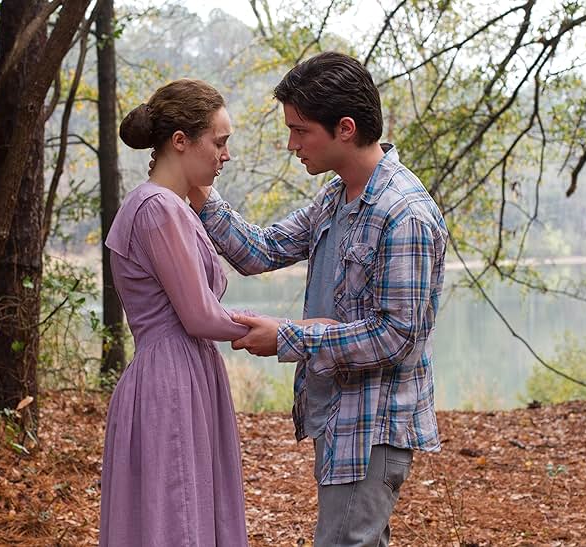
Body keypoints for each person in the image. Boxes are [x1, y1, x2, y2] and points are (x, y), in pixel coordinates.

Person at [187, 52, 448, 546]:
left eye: (301, 130)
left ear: (345, 128)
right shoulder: (338, 196)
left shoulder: (404, 214)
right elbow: (261, 250)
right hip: (338, 416)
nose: (292, 144)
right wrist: (197, 186)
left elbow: (396, 337)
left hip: (373, 425)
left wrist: (288, 337)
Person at [99, 78, 250, 547]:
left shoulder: (173, 206)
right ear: (180, 142)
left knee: (188, 513)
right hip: (170, 379)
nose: (225, 155)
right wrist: (285, 331)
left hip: (185, 373)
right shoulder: (157, 208)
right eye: (219, 142)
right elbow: (200, 316)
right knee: (178, 520)